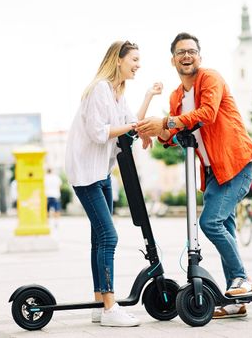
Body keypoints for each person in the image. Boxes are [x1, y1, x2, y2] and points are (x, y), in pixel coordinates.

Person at [136, 32, 252, 319]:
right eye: (181, 52)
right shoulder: (176, 96)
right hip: (213, 173)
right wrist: (155, 132)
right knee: (225, 228)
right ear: (173, 60)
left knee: (211, 222)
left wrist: (166, 122)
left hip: (236, 164)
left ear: (199, 57)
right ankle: (235, 299)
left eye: (192, 51)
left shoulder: (210, 79)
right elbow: (174, 132)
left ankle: (242, 278)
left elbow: (208, 113)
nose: (187, 56)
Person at [65, 40, 162, 327]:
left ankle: (99, 304)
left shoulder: (118, 92)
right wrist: (135, 128)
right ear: (118, 60)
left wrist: (146, 106)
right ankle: (109, 307)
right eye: (134, 59)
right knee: (109, 237)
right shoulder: (100, 89)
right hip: (86, 174)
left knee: (99, 238)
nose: (138, 64)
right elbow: (99, 133)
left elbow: (131, 121)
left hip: (102, 172)